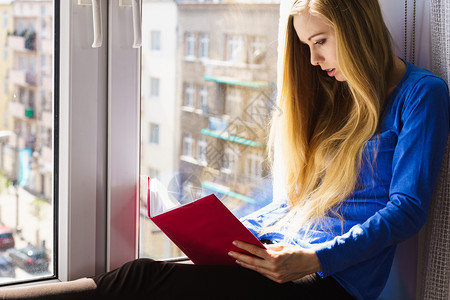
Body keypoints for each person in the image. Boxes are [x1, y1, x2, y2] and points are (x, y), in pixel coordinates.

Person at [2, 0, 449, 299]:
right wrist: (232, 231)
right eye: (306, 46)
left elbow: (406, 209)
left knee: (139, 279)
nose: (313, 61)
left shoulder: (421, 93)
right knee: (140, 276)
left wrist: (313, 259)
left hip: (331, 278)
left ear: (356, 27)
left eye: (319, 42)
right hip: (280, 252)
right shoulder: (339, 96)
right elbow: (298, 205)